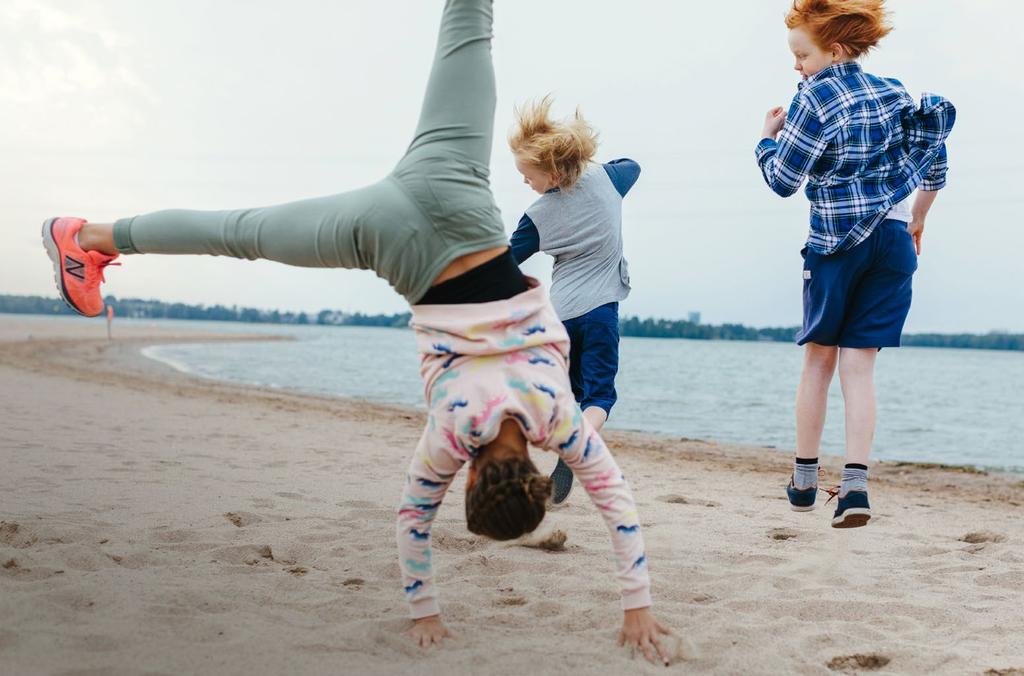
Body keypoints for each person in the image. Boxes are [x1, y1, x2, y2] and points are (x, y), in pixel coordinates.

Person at [42, 0, 673, 662]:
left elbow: (615, 498)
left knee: (470, 23)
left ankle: (84, 238)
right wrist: (424, 612)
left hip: (455, 188)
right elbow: (411, 521)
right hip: (390, 240)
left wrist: (640, 606)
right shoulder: (450, 434)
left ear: (536, 473)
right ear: (466, 479)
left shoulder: (556, 416)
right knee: (236, 232)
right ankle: (85, 238)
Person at [756, 0, 955, 527]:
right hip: (893, 241)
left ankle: (803, 480)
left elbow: (781, 181)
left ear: (835, 50)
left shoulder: (814, 98)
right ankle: (856, 490)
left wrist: (765, 138)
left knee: (819, 361)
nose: (796, 66)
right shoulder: (894, 91)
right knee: (861, 369)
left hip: (837, 243)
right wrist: (918, 219)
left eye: (801, 54)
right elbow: (934, 159)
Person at [508, 97, 639, 504]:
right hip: (600, 312)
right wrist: (585, 166)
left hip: (560, 317)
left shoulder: (536, 217)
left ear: (550, 172)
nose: (525, 183)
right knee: (599, 395)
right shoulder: (608, 181)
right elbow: (632, 165)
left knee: (562, 393)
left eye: (528, 176)